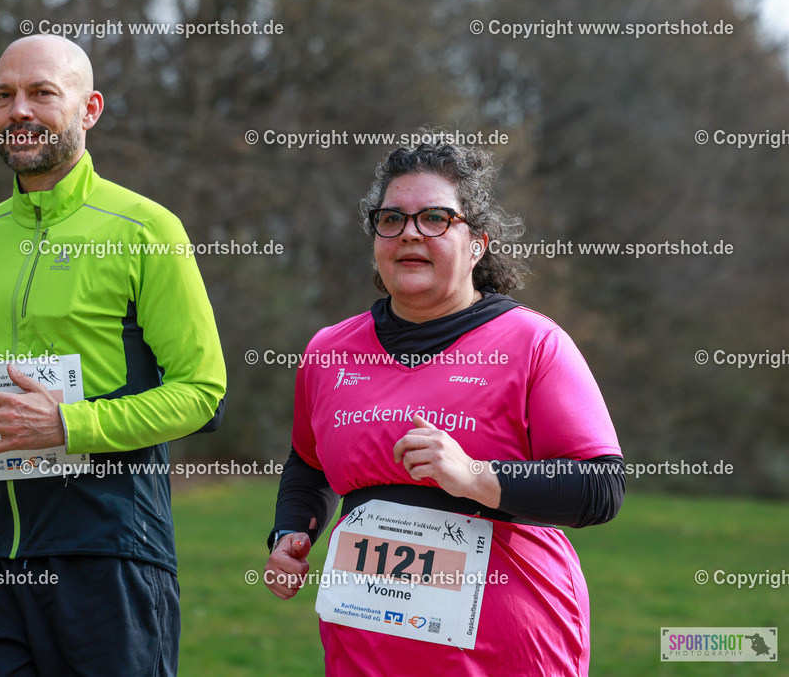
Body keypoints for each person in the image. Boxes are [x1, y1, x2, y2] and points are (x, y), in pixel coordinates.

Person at [0, 35, 226, 676]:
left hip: (111, 550)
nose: (19, 109)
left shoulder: (147, 230)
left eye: (42, 92)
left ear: (89, 108)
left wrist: (69, 425)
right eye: (3, 96)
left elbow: (203, 392)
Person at [264, 132, 624, 675]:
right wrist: (292, 530)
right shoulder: (329, 350)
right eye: (392, 219)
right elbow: (308, 464)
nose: (410, 233)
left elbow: (601, 486)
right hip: (365, 650)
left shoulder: (533, 343)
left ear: (477, 242)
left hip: (507, 650)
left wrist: (476, 475)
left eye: (435, 218)